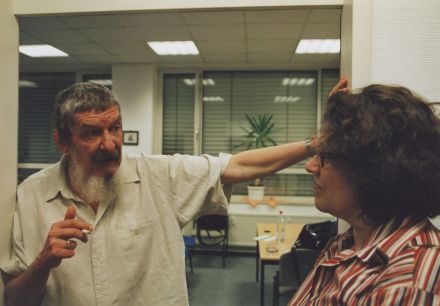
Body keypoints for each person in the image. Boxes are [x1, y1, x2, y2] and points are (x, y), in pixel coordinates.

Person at [0, 79, 347, 306]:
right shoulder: (31, 196)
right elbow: (14, 299)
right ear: (62, 142)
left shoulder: (158, 176)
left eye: (115, 127)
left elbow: (238, 166)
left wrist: (315, 144)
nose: (110, 143)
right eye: (92, 133)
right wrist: (44, 262)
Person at [289, 84, 440, 305]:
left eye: (326, 156)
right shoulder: (350, 242)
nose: (310, 167)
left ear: (373, 167)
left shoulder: (408, 279)